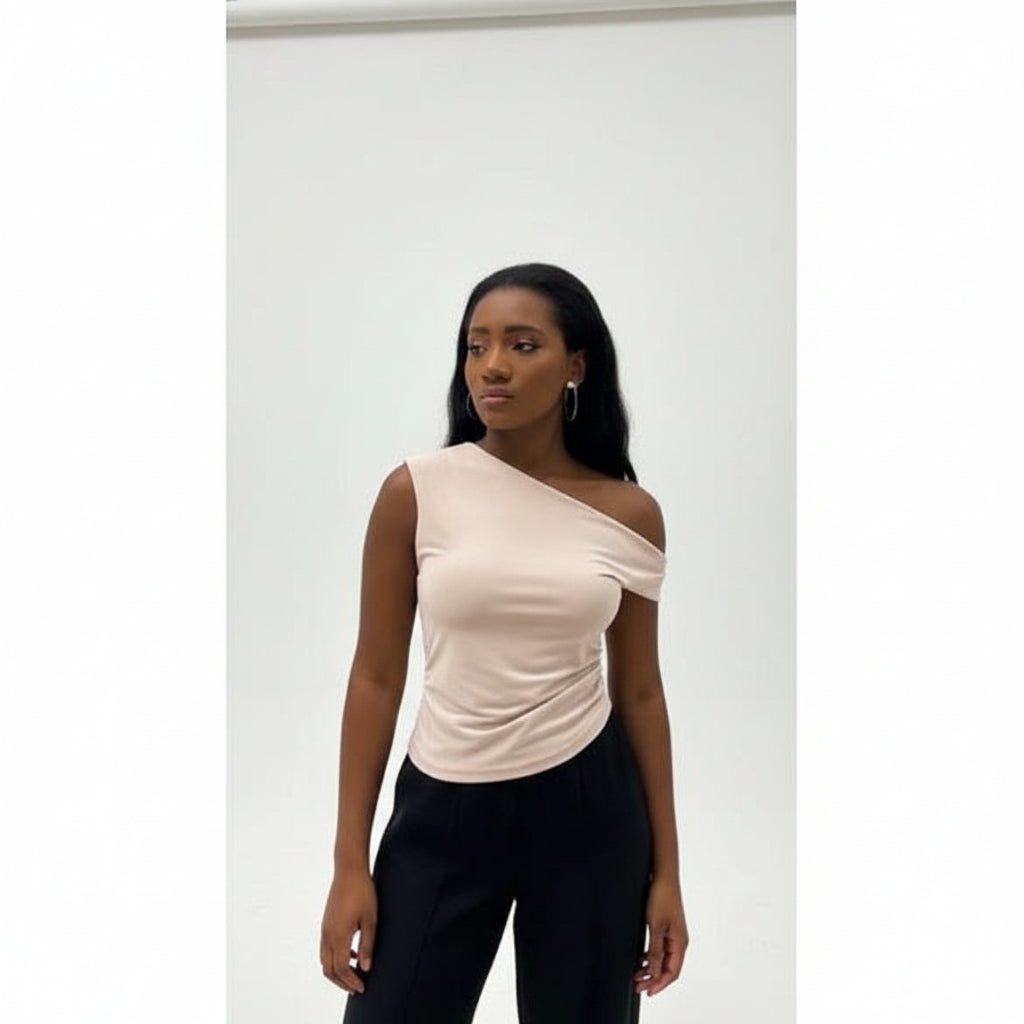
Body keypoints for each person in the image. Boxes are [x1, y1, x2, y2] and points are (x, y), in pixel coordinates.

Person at [319, 262, 689, 1023]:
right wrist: (349, 863)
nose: (492, 365)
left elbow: (640, 692)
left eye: (523, 345)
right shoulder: (415, 491)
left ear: (576, 365)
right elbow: (375, 678)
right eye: (476, 345)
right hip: (443, 806)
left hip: (590, 810)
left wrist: (668, 874)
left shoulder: (630, 514)